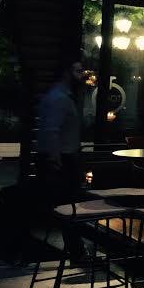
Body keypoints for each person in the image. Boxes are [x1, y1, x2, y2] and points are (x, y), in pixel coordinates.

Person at [33, 58, 91, 260]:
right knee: (68, 206)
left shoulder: (62, 96)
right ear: (66, 73)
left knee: (68, 205)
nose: (81, 75)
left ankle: (76, 249)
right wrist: (55, 158)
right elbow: (51, 130)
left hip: (62, 157)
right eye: (77, 71)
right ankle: (76, 250)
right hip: (61, 159)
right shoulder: (59, 97)